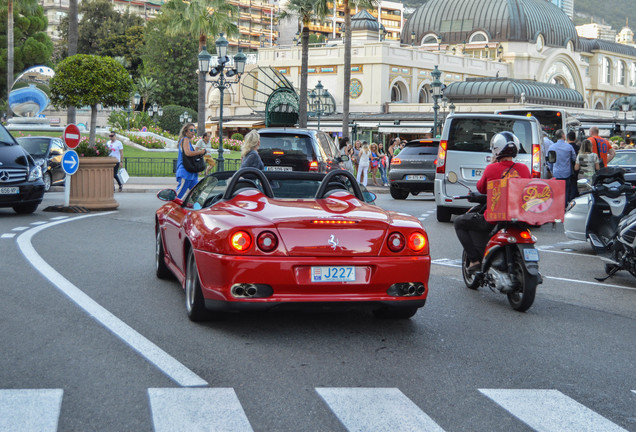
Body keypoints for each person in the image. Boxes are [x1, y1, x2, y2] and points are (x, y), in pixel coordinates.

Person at [454, 132, 531, 273]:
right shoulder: (524, 169)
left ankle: (475, 260)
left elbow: (481, 188)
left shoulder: (492, 168)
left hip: (495, 218)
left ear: (496, 149)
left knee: (459, 222)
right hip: (519, 216)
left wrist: (492, 164)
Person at [175, 123, 206, 199]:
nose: (193, 132)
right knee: (178, 196)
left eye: (194, 130)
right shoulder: (185, 139)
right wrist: (200, 152)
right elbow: (188, 153)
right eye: (191, 130)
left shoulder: (188, 141)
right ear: (186, 132)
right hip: (185, 173)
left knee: (197, 195)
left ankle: (191, 209)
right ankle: (170, 208)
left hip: (191, 174)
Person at [547, 129, 577, 204]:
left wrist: (551, 170)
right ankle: (564, 207)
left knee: (557, 191)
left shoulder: (551, 147)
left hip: (556, 173)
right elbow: (574, 158)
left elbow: (549, 161)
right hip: (567, 173)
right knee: (566, 191)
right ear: (563, 136)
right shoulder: (569, 147)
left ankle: (558, 206)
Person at [566, 131, 580, 198]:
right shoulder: (578, 147)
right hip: (576, 169)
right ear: (575, 139)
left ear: (567, 138)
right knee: (574, 185)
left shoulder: (566, 147)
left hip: (567, 169)